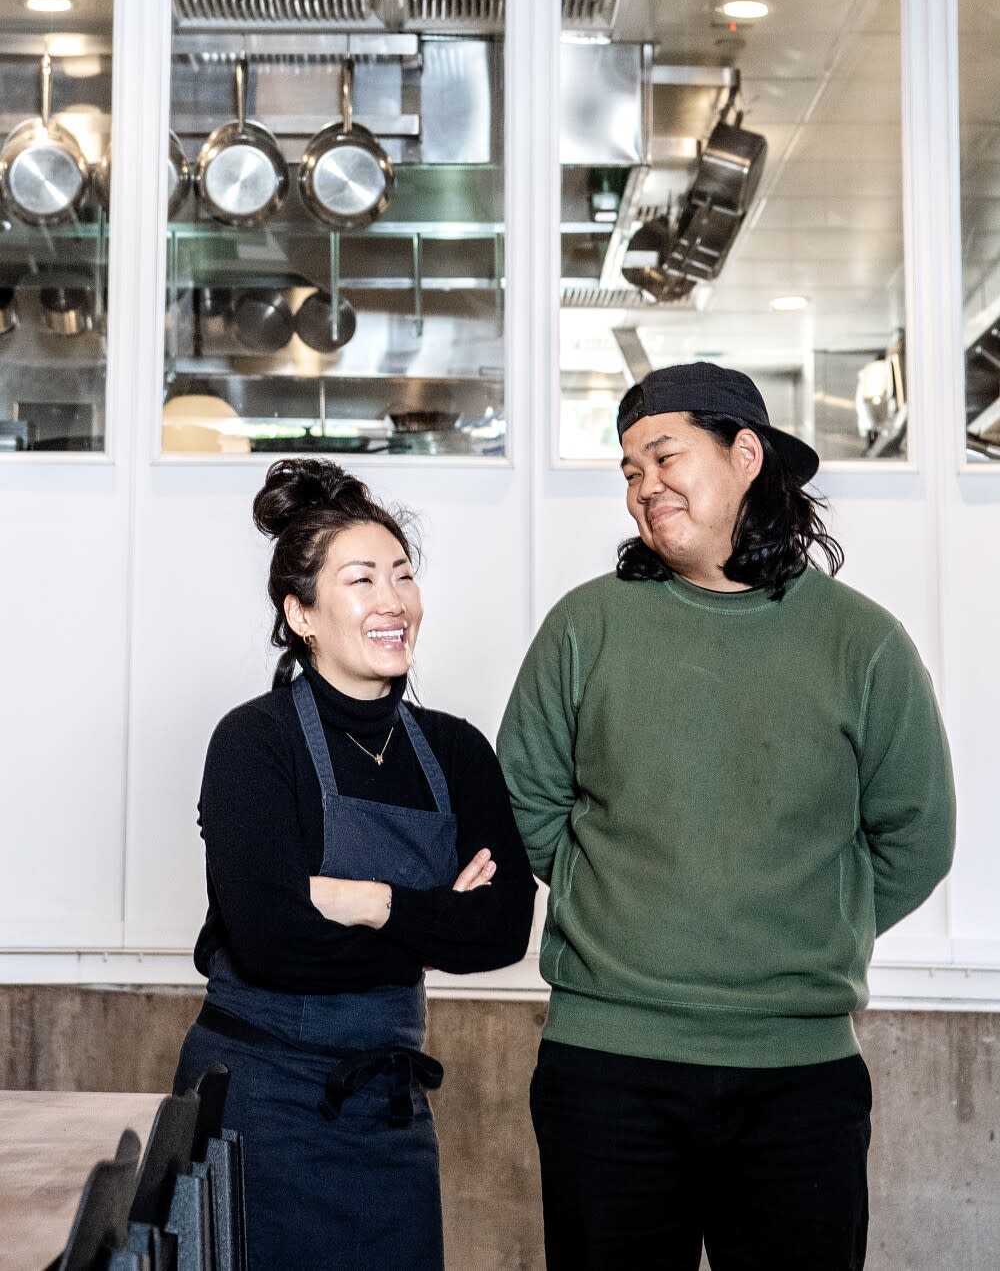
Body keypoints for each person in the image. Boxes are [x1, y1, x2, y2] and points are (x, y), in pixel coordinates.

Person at [498, 361, 956, 1271]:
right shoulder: (586, 626)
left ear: (746, 455)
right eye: (628, 470)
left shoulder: (862, 641)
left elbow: (918, 834)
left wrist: (806, 922)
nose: (643, 486)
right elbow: (526, 803)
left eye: (664, 456)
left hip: (800, 1077)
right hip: (608, 1064)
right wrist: (621, 907)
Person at [174, 458, 536, 1271]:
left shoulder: (455, 748)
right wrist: (434, 914)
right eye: (362, 579)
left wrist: (365, 901)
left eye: (403, 577)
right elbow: (269, 940)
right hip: (257, 1099)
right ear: (301, 613)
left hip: (388, 1104)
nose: (392, 600)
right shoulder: (254, 744)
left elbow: (503, 931)